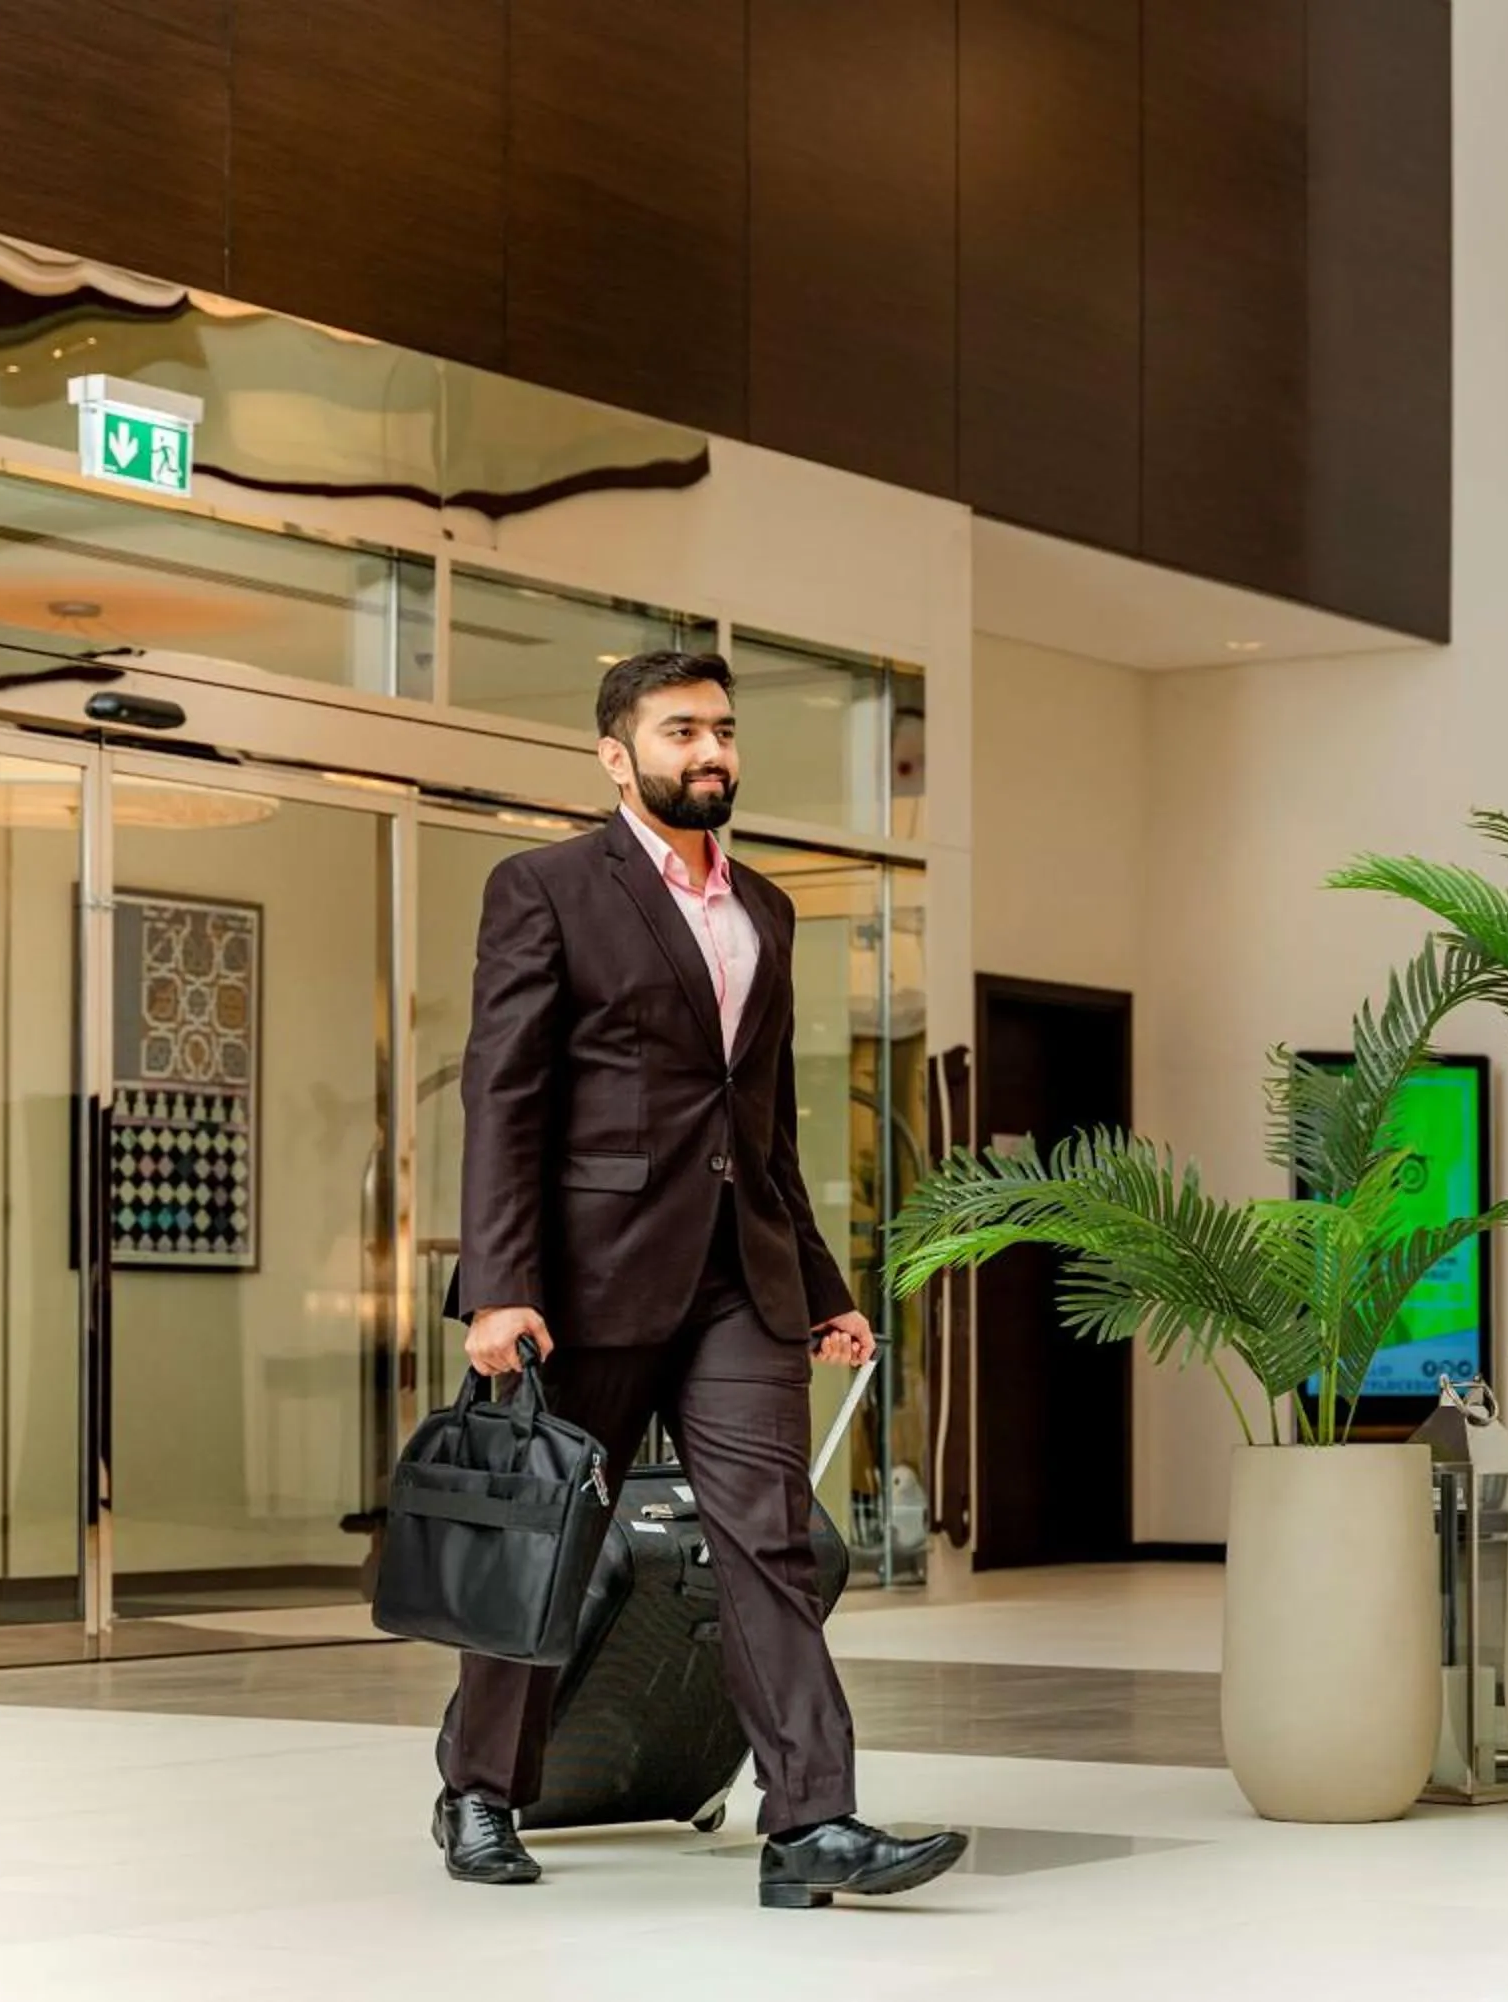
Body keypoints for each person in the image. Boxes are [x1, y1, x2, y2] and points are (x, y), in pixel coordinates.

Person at [433, 649, 968, 1911]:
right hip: (584, 1278)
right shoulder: (547, 888)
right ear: (617, 755)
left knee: (770, 1542)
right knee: (548, 1542)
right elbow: (502, 1096)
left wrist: (824, 1281)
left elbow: (764, 1119)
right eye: (683, 731)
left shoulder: (765, 910)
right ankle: (480, 1788)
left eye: (722, 729)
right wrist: (500, 1284)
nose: (711, 750)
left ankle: (811, 1823)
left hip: (740, 1278)